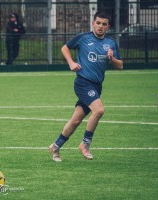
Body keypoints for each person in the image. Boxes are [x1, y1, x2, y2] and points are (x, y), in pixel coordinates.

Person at [49, 12, 123, 162]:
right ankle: (85, 143)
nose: (100, 26)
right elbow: (65, 48)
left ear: (108, 26)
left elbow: (120, 66)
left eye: (104, 24)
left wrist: (112, 58)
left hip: (96, 86)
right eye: (98, 23)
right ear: (93, 23)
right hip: (83, 83)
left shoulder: (111, 43)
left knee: (75, 121)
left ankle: (56, 146)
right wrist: (71, 63)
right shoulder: (83, 38)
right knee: (99, 110)